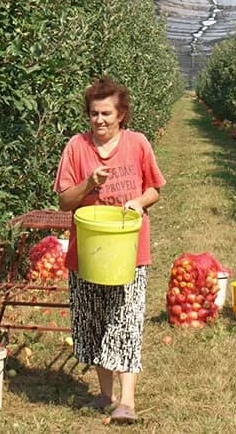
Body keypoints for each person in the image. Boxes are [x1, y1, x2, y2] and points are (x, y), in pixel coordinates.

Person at [55, 76, 165, 425]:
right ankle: (105, 394)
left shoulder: (137, 144)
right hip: (88, 251)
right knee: (94, 321)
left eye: (106, 113)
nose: (99, 120)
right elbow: (64, 201)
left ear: (121, 115)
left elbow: (155, 190)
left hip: (128, 251)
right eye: (93, 114)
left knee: (126, 320)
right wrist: (89, 183)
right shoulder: (76, 147)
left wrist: (136, 202)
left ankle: (127, 402)